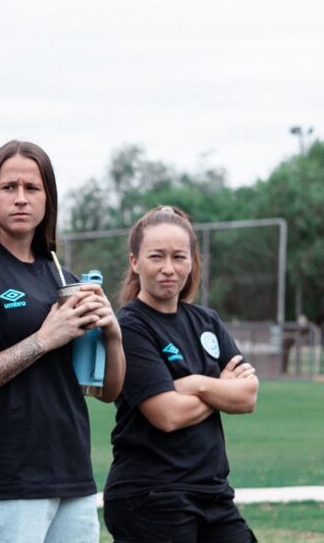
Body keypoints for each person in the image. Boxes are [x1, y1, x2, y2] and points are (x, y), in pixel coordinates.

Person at [0, 139, 126, 543]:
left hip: (71, 477)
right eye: (9, 187)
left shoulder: (63, 278)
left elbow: (106, 391)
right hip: (4, 482)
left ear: (48, 199)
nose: (21, 199)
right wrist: (43, 339)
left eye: (32, 188)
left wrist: (113, 334)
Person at [103, 206, 258, 542]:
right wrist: (220, 388)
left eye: (179, 257)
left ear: (192, 262)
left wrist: (196, 384)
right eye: (156, 257)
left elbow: (247, 396)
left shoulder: (207, 321)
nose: (168, 269)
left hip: (212, 492)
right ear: (135, 262)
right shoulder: (130, 325)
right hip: (151, 495)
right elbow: (167, 415)